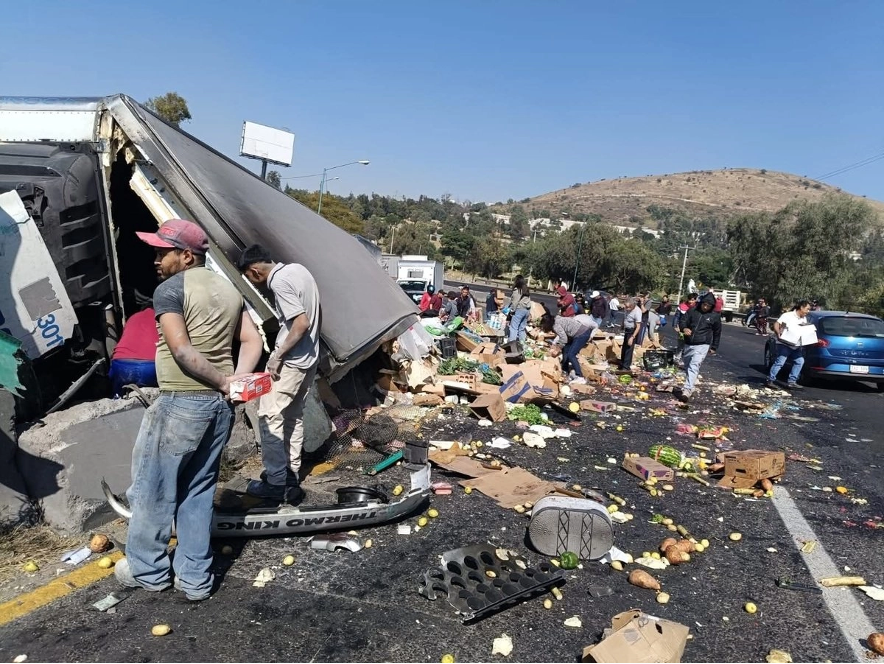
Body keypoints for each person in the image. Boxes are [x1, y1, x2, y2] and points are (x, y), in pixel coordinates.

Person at [116, 219, 262, 601]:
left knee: (153, 489)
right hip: (219, 409)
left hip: (181, 401)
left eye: (162, 252)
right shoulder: (230, 290)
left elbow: (181, 350)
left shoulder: (170, 289)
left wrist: (220, 381)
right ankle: (195, 580)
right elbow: (253, 339)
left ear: (186, 256)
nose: (155, 259)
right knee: (198, 491)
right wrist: (235, 382)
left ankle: (148, 571)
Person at [238, 244, 322, 502]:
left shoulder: (279, 283)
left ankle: (275, 482)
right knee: (293, 416)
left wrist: (277, 356)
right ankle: (290, 472)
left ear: (255, 271)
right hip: (310, 358)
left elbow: (300, 323)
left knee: (269, 416)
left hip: (291, 361)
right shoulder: (299, 270)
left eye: (250, 279)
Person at [676, 292, 722, 403]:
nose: (705, 307)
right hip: (689, 343)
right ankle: (690, 384)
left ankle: (687, 390)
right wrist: (684, 328)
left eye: (708, 306)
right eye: (704, 304)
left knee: (694, 365)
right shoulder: (692, 311)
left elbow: (717, 332)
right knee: (687, 365)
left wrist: (714, 346)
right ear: (701, 303)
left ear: (712, 306)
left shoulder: (715, 316)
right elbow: (682, 321)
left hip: (703, 344)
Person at [109, 301, 159, 397]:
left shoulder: (133, 317)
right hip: (150, 367)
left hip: (119, 365)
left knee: (118, 397)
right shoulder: (162, 318)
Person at [766, 300, 814, 390]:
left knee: (799, 361)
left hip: (795, 345)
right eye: (807, 309)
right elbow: (777, 323)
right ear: (801, 307)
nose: (808, 311)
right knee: (780, 362)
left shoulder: (803, 318)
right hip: (784, 344)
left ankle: (791, 382)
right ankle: (770, 380)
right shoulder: (788, 315)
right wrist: (778, 333)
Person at [540, 312, 594, 382]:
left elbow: (564, 339)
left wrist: (557, 349)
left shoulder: (556, 326)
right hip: (577, 333)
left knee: (571, 354)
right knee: (565, 349)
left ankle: (579, 376)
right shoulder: (557, 319)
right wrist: (556, 345)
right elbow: (563, 336)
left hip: (582, 334)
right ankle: (565, 370)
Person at [673, 293, 698, 364]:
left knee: (689, 346)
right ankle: (677, 358)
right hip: (681, 328)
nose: (690, 301)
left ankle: (687, 360)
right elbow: (677, 316)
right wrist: (675, 325)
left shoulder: (698, 308)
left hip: (692, 330)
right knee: (681, 344)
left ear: (696, 300)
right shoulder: (682, 307)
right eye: (689, 299)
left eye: (692, 300)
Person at [620, 298, 643, 371]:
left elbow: (638, 327)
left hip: (632, 331)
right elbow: (625, 317)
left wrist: (632, 337)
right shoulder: (626, 309)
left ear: (633, 306)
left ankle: (626, 367)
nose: (626, 309)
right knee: (624, 348)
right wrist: (622, 325)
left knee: (628, 349)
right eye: (626, 307)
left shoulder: (637, 311)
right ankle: (622, 363)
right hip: (627, 330)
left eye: (628, 307)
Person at [508, 275, 532, 343]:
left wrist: (512, 311)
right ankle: (523, 345)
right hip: (527, 310)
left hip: (519, 310)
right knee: (521, 329)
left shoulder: (517, 290)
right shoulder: (526, 289)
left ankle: (512, 345)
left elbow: (515, 302)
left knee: (513, 328)